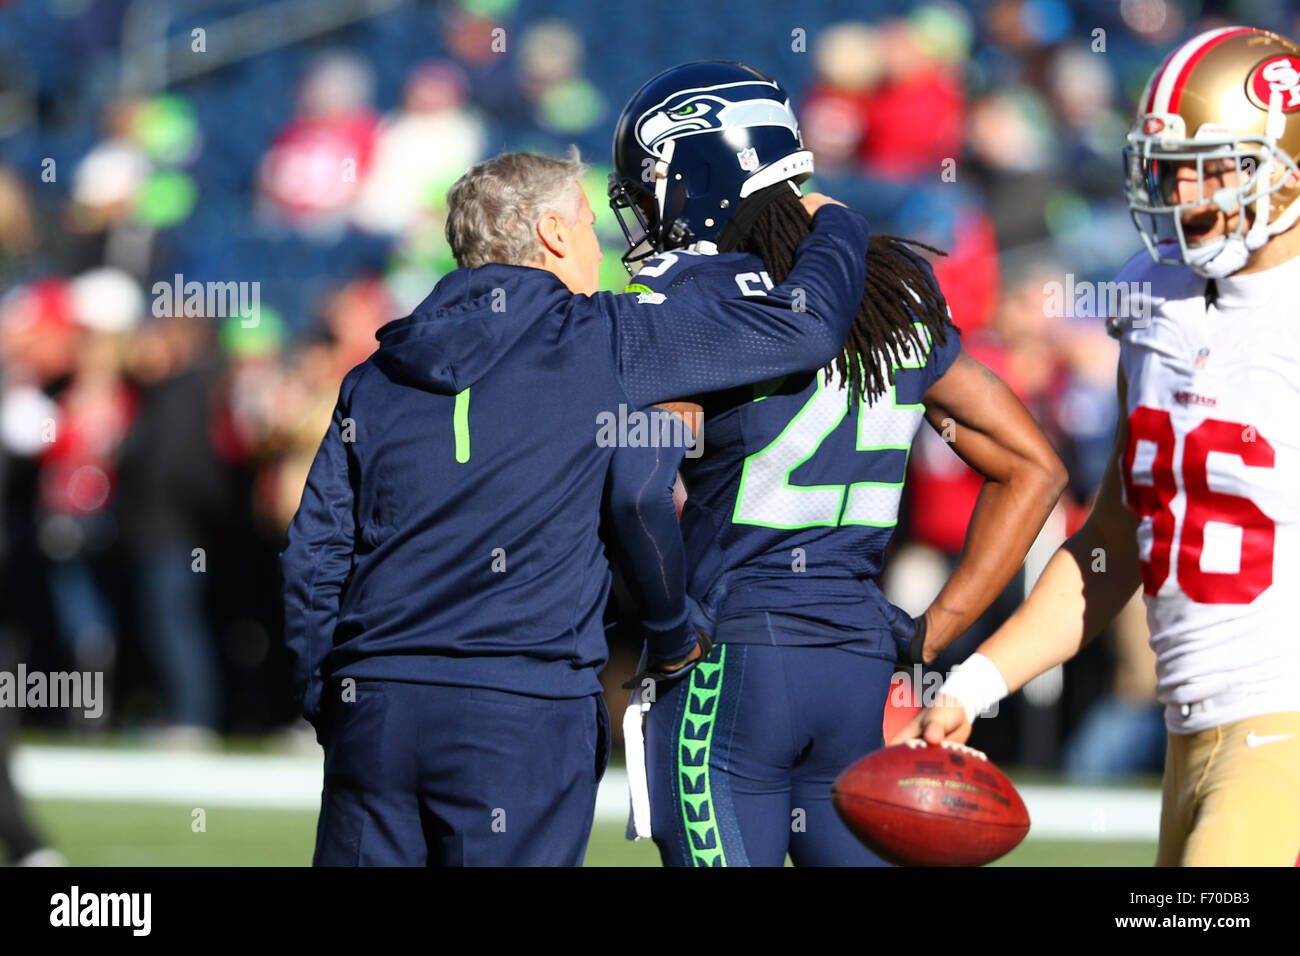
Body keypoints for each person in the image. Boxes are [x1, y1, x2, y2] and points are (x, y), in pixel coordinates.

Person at [280, 149, 873, 866]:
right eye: (593, 227)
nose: (605, 247)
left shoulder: (373, 375)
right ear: (555, 234)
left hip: (372, 702)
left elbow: (314, 557)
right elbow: (805, 330)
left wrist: (329, 698)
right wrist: (837, 226)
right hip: (522, 707)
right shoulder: (607, 336)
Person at [607, 61, 1066, 866]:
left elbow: (636, 486)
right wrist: (935, 633)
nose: (646, 208)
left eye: (654, 184)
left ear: (701, 172)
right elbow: (1034, 467)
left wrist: (669, 629)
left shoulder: (701, 294)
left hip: (731, 660)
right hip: (858, 666)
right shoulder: (897, 292)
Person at [893, 25, 1300, 867]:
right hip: (1192, 735)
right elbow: (1115, 543)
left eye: (1214, 166)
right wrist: (978, 681)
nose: (1186, 193)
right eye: (1172, 168)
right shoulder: (1157, 302)